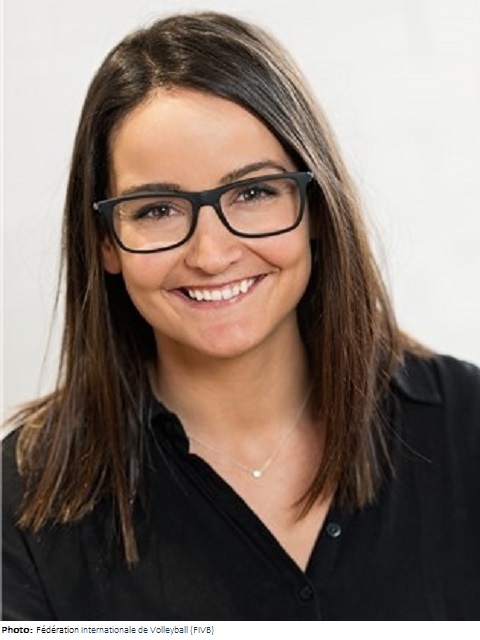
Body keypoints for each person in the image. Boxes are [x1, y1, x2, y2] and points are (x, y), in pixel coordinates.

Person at [2, 10, 479, 622]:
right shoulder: (21, 506)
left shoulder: (463, 423)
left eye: (253, 193)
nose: (211, 254)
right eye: (157, 209)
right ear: (105, 243)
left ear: (315, 208)